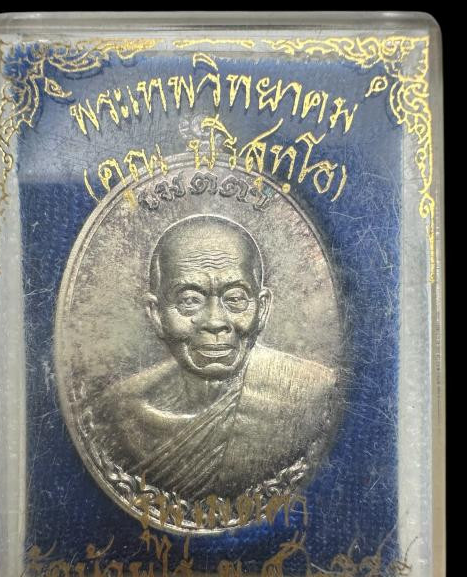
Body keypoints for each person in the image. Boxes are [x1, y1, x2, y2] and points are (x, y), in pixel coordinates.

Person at [97, 214, 336, 500]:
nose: (214, 322)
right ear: (156, 314)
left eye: (235, 298)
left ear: (262, 309)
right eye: (189, 300)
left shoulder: (311, 395)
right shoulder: (121, 411)